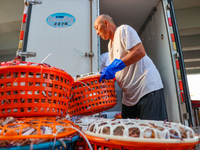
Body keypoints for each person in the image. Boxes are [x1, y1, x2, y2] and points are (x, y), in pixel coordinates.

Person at [94, 14, 168, 120]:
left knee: (151, 129)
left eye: (97, 28)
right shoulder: (110, 45)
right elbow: (122, 70)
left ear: (106, 23)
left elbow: (139, 51)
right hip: (130, 95)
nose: (97, 33)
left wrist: (115, 66)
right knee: (129, 130)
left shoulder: (123, 30)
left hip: (145, 87)